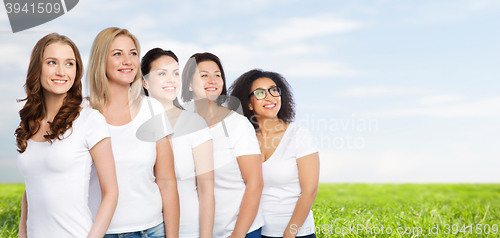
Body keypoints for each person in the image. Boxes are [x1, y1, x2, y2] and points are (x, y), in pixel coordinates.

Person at [15, 33, 118, 238]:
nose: (61, 72)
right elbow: (33, 186)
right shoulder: (29, 123)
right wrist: (22, 233)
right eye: (52, 62)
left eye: (69, 64)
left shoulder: (90, 120)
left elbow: (111, 193)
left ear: (76, 70)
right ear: (38, 68)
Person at [86, 27, 179, 238]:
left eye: (133, 53)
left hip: (152, 231)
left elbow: (167, 182)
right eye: (117, 53)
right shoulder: (82, 113)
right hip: (98, 232)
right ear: (101, 60)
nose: (128, 60)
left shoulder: (153, 109)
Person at [181, 53, 264, 238]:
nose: (212, 80)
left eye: (217, 75)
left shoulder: (238, 125)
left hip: (239, 231)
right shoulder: (180, 125)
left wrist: (237, 234)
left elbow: (255, 183)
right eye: (204, 75)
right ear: (188, 84)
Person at [229, 69, 320, 238]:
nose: (270, 97)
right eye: (260, 93)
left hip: (297, 234)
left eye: (274, 90)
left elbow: (310, 191)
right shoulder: (243, 140)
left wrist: (289, 234)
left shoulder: (298, 135)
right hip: (256, 232)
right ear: (249, 104)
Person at [141, 48, 215, 238]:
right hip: (142, 229)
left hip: (187, 230)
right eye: (162, 73)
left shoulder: (195, 124)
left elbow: (206, 190)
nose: (171, 79)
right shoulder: (134, 124)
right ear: (144, 82)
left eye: (175, 73)